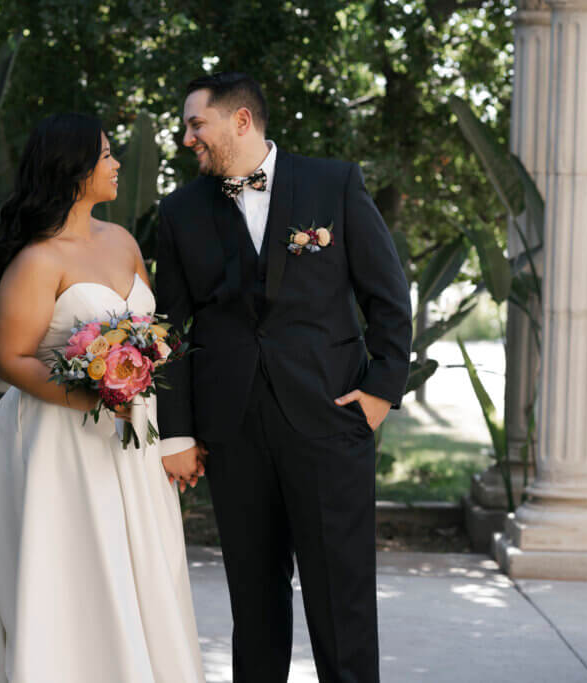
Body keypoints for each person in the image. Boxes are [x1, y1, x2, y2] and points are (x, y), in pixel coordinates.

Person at [0, 112, 205, 683]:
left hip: (132, 440)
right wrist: (90, 396)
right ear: (73, 171)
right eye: (105, 155)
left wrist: (150, 392)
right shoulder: (37, 260)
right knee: (77, 569)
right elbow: (12, 357)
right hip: (64, 445)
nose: (117, 163)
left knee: (144, 563)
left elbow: (155, 333)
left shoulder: (121, 240)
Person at [156, 72, 412, 683]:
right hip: (233, 430)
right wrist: (178, 433)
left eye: (197, 124)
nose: (187, 137)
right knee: (255, 601)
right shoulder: (180, 210)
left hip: (329, 418)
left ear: (240, 121)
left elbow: (388, 296)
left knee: (341, 599)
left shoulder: (334, 183)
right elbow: (166, 330)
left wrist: (379, 392)